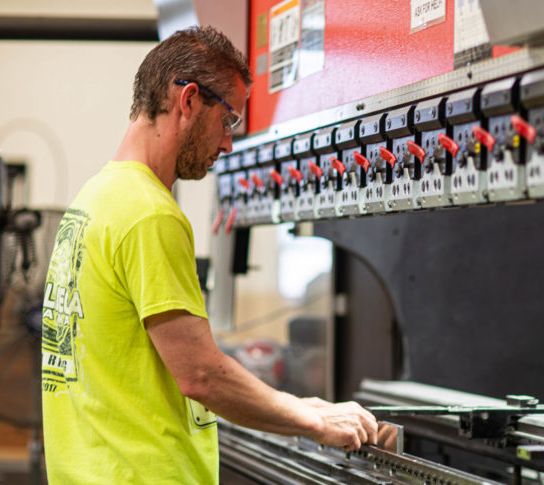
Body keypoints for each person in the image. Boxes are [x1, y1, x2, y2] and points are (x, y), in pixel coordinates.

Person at [41, 26, 377, 485]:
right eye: (229, 120)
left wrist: (299, 405)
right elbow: (200, 375)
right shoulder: (149, 214)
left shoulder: (92, 200)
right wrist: (313, 421)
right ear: (190, 101)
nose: (227, 144)